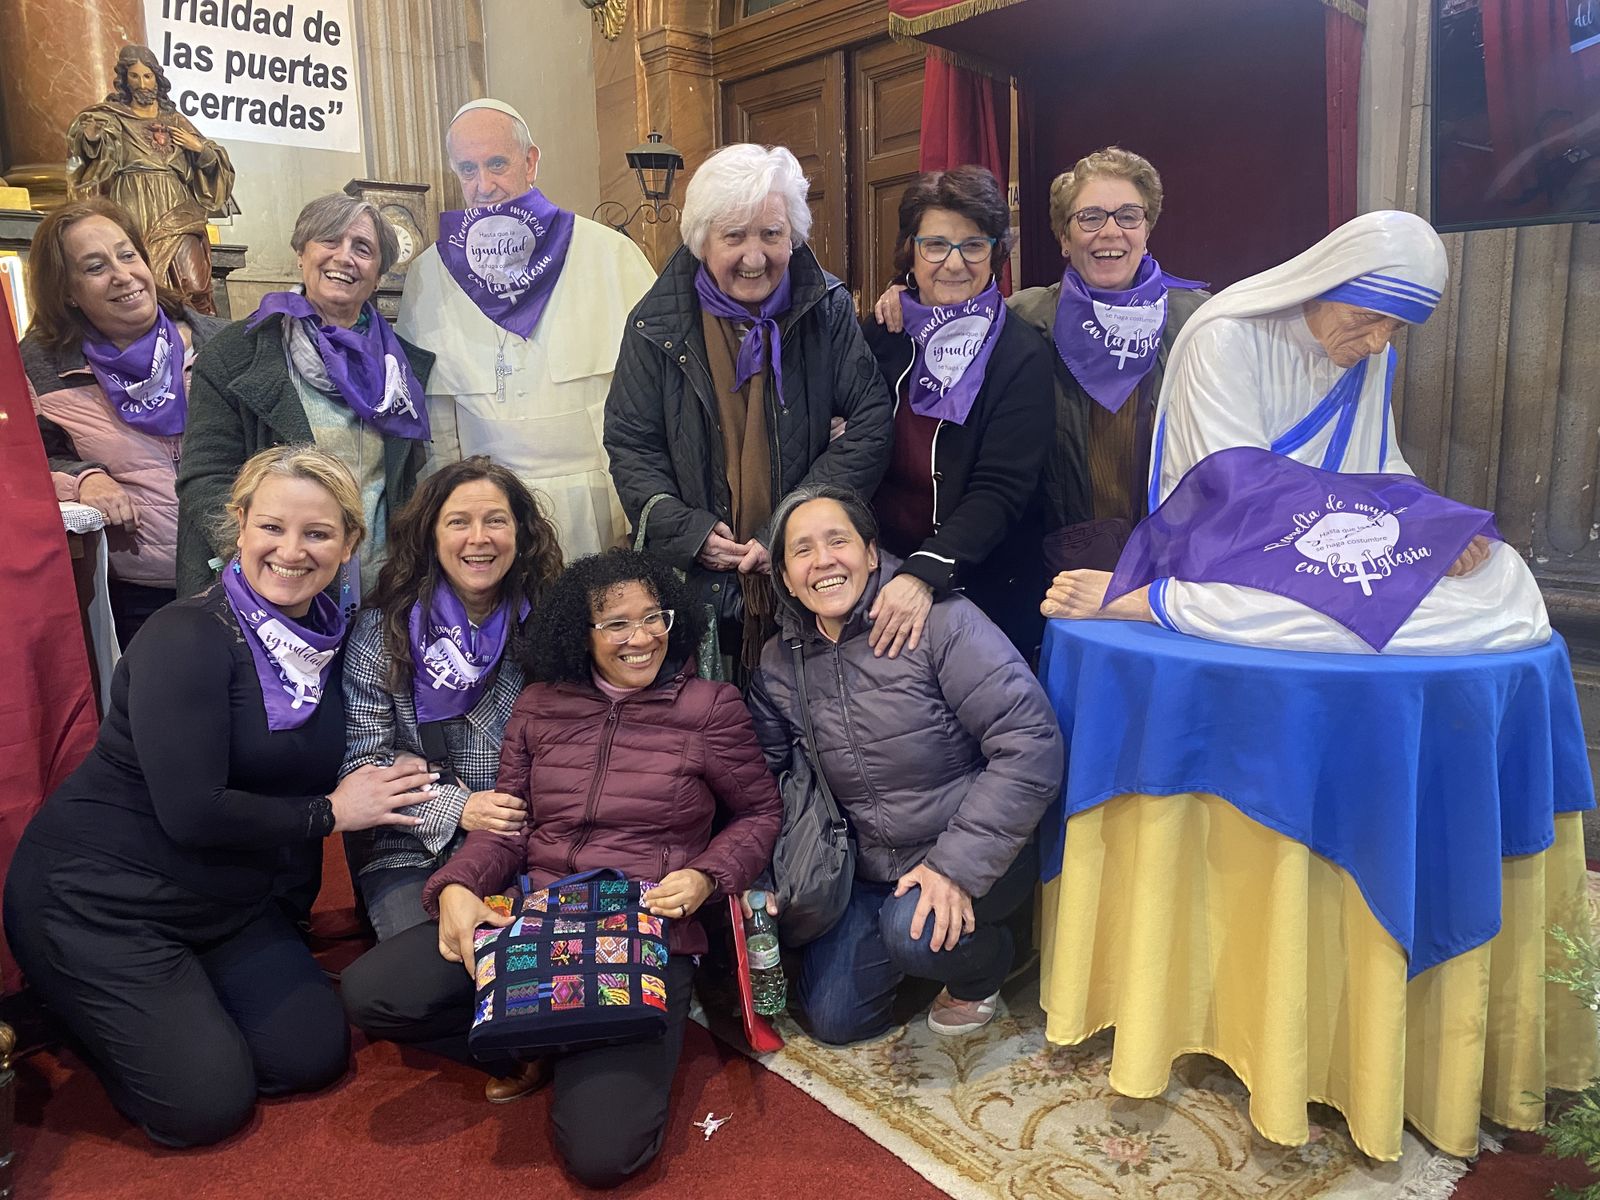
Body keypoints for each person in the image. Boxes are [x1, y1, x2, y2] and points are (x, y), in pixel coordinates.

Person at [3, 446, 436, 1148]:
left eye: (317, 533)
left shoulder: (333, 638)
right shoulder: (187, 637)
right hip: (102, 902)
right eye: (271, 527)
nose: (290, 551)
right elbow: (194, 811)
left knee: (312, 1055)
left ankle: (180, 1005)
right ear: (239, 526)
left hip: (224, 904)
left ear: (350, 543)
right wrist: (333, 812)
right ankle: (67, 1004)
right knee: (205, 1107)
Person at [342, 548, 781, 1187]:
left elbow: (760, 816)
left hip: (643, 932)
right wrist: (461, 884)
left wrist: (708, 875)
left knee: (605, 1157)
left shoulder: (710, 708)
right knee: (370, 993)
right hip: (537, 918)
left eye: (654, 617)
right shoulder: (541, 706)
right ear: (583, 633)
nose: (642, 638)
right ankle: (532, 1040)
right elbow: (511, 829)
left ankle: (548, 1032)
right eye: (617, 624)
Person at [1041, 209, 1551, 654]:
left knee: (1505, 583)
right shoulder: (1227, 338)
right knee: (1307, 604)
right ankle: (1154, 601)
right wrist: (1364, 534)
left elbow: (1382, 467)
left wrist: (1434, 531)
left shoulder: (1372, 360)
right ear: (1325, 284)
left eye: (1394, 328)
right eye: (1367, 317)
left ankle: (1215, 612)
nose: (1377, 343)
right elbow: (1227, 487)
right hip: (1239, 538)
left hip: (1342, 536)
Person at [747, 485, 1063, 1044]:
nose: (823, 561)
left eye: (837, 540)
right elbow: (761, 778)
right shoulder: (779, 661)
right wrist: (761, 877)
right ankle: (920, 946)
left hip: (971, 844)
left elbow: (1029, 740)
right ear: (784, 575)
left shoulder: (942, 621)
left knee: (911, 934)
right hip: (869, 866)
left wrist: (954, 869)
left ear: (871, 554)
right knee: (835, 1021)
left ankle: (990, 959)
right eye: (801, 550)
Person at [605, 143, 893, 675]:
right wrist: (687, 531)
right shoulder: (654, 325)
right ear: (701, 241)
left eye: (772, 234)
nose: (755, 257)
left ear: (794, 235)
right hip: (698, 584)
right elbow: (632, 442)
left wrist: (787, 528)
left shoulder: (826, 307)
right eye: (734, 236)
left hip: (809, 570)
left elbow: (871, 420)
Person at [875, 147, 1206, 572]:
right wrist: (903, 292)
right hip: (1060, 563)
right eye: (1089, 217)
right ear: (1065, 239)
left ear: (1147, 230)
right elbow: (958, 306)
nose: (1110, 231)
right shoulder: (1025, 316)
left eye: (1128, 215)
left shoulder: (1197, 321)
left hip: (1173, 558)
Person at [397, 98, 655, 559]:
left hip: (597, 505)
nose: (483, 185)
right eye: (467, 169)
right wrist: (450, 518)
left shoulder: (611, 256)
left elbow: (648, 403)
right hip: (487, 517)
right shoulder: (429, 274)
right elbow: (438, 425)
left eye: (497, 163)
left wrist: (634, 513)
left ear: (531, 161)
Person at [341, 457, 563, 941]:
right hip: (414, 845)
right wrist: (458, 807)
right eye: (458, 522)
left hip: (533, 837)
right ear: (431, 536)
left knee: (541, 970)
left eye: (496, 521)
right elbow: (362, 763)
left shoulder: (550, 625)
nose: (478, 538)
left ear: (521, 536)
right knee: (438, 976)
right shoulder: (383, 632)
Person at [176, 194, 434, 598]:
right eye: (330, 240)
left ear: (379, 273)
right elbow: (205, 478)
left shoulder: (403, 369)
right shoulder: (233, 355)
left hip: (381, 592)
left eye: (363, 248)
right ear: (302, 252)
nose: (344, 257)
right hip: (274, 587)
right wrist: (273, 562)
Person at [859, 165, 1053, 656]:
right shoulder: (879, 335)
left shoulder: (1020, 353)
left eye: (973, 245)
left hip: (983, 583)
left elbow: (1001, 490)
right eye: (935, 245)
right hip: (876, 572)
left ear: (995, 254)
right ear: (911, 250)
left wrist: (924, 573)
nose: (953, 263)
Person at [22, 197, 225, 646]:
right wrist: (85, 479)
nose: (123, 275)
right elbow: (29, 459)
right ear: (67, 292)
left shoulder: (222, 343)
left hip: (245, 580)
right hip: (137, 594)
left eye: (128, 254)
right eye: (95, 267)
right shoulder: (39, 366)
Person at [67, 44, 237, 315]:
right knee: (145, 279)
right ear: (124, 80)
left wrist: (199, 148)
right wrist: (91, 139)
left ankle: (202, 337)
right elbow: (90, 160)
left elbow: (216, 165)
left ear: (157, 78)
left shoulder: (176, 121)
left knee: (193, 283)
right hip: (134, 202)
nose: (142, 83)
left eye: (148, 76)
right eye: (134, 76)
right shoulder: (113, 118)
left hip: (178, 208)